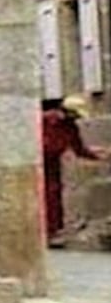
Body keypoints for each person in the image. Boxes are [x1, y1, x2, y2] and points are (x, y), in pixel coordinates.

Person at [41, 95, 104, 247]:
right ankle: (43, 231)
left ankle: (54, 231)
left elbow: (78, 148)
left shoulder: (71, 126)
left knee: (53, 194)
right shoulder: (45, 120)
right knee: (42, 194)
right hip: (39, 160)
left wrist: (98, 156)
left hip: (53, 162)